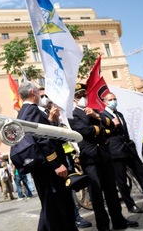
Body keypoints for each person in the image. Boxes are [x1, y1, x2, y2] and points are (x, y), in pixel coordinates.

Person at [69, 83, 138, 231]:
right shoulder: (73, 115)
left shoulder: (95, 111)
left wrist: (96, 117)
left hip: (105, 155)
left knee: (111, 191)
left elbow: (112, 126)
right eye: (79, 96)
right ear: (74, 99)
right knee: (96, 194)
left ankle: (118, 220)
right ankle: (103, 225)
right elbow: (85, 131)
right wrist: (102, 129)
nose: (82, 98)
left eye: (84, 95)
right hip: (91, 157)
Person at [17, 82, 77, 231]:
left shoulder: (24, 111)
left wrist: (50, 121)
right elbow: (41, 138)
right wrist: (56, 164)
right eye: (39, 92)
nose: (40, 95)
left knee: (50, 205)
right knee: (56, 206)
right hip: (48, 168)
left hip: (42, 166)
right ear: (33, 92)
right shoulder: (32, 110)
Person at [39, 88, 92, 229]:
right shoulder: (39, 114)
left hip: (64, 156)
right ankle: (74, 218)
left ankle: (74, 218)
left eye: (46, 95)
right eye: (42, 96)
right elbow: (44, 138)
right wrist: (50, 120)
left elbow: (61, 134)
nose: (45, 98)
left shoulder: (54, 112)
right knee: (54, 198)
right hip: (52, 162)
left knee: (66, 191)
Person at [101, 92, 143, 213]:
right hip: (115, 151)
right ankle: (131, 206)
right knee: (122, 181)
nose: (113, 101)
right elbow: (103, 133)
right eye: (110, 99)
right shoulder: (103, 116)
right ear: (105, 102)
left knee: (142, 173)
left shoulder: (119, 114)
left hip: (128, 148)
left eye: (115, 98)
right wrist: (112, 126)